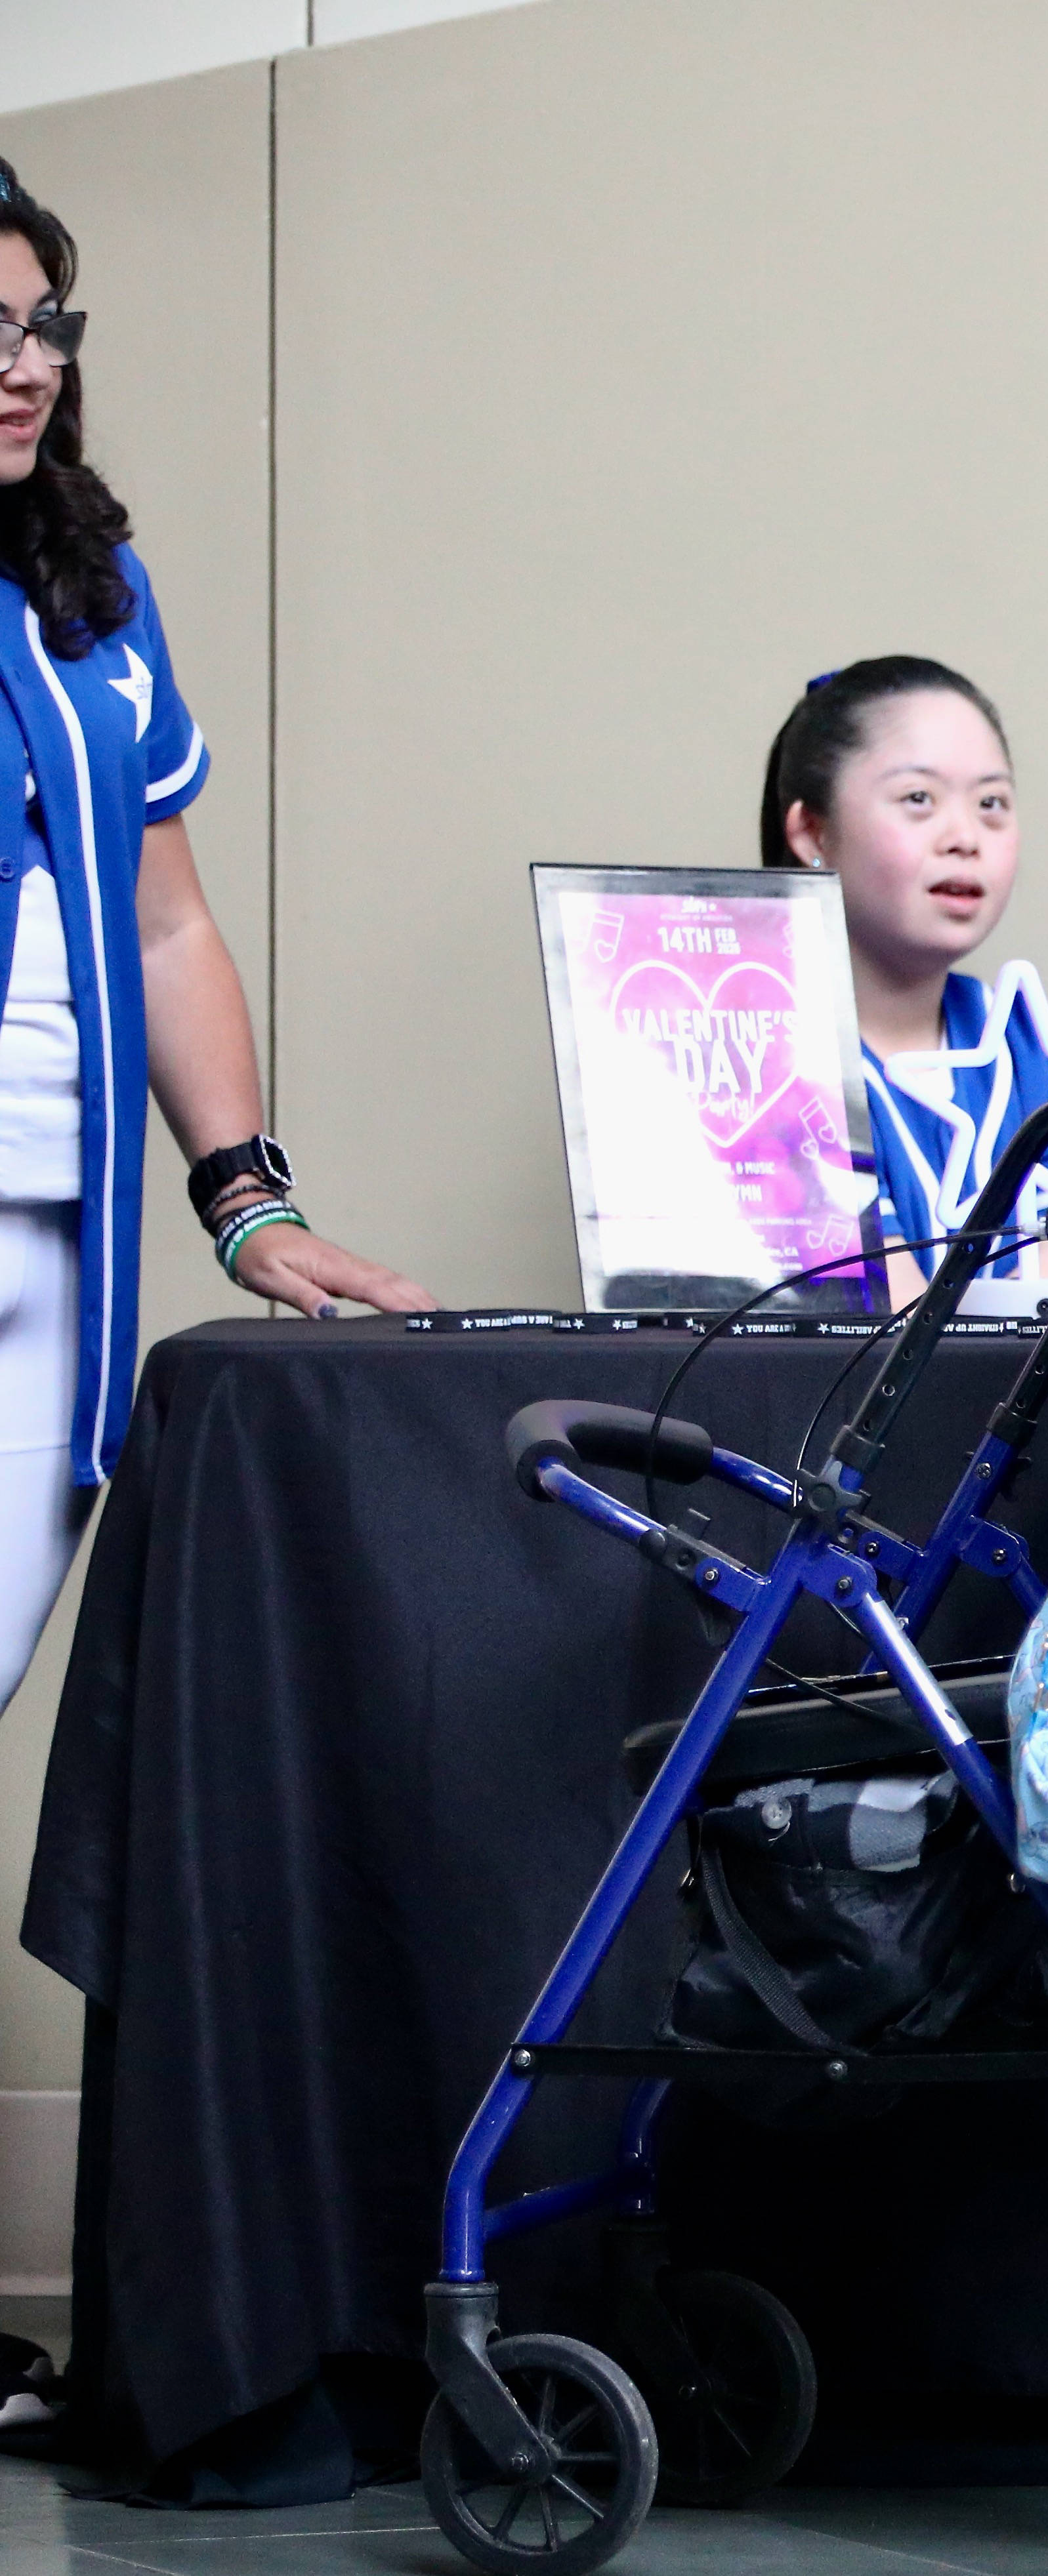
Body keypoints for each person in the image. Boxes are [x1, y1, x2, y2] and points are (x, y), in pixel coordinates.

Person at [0, 157, 424, 1698]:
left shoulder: (93, 589)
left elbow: (164, 925)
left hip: (55, 1241)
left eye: (48, 326)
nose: (29, 366)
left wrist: (247, 1201)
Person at [758, 658, 1048, 1286]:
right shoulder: (757, 1066)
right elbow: (886, 1341)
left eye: (992, 802)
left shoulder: (1043, 1054)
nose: (965, 835)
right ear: (811, 830)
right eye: (918, 799)